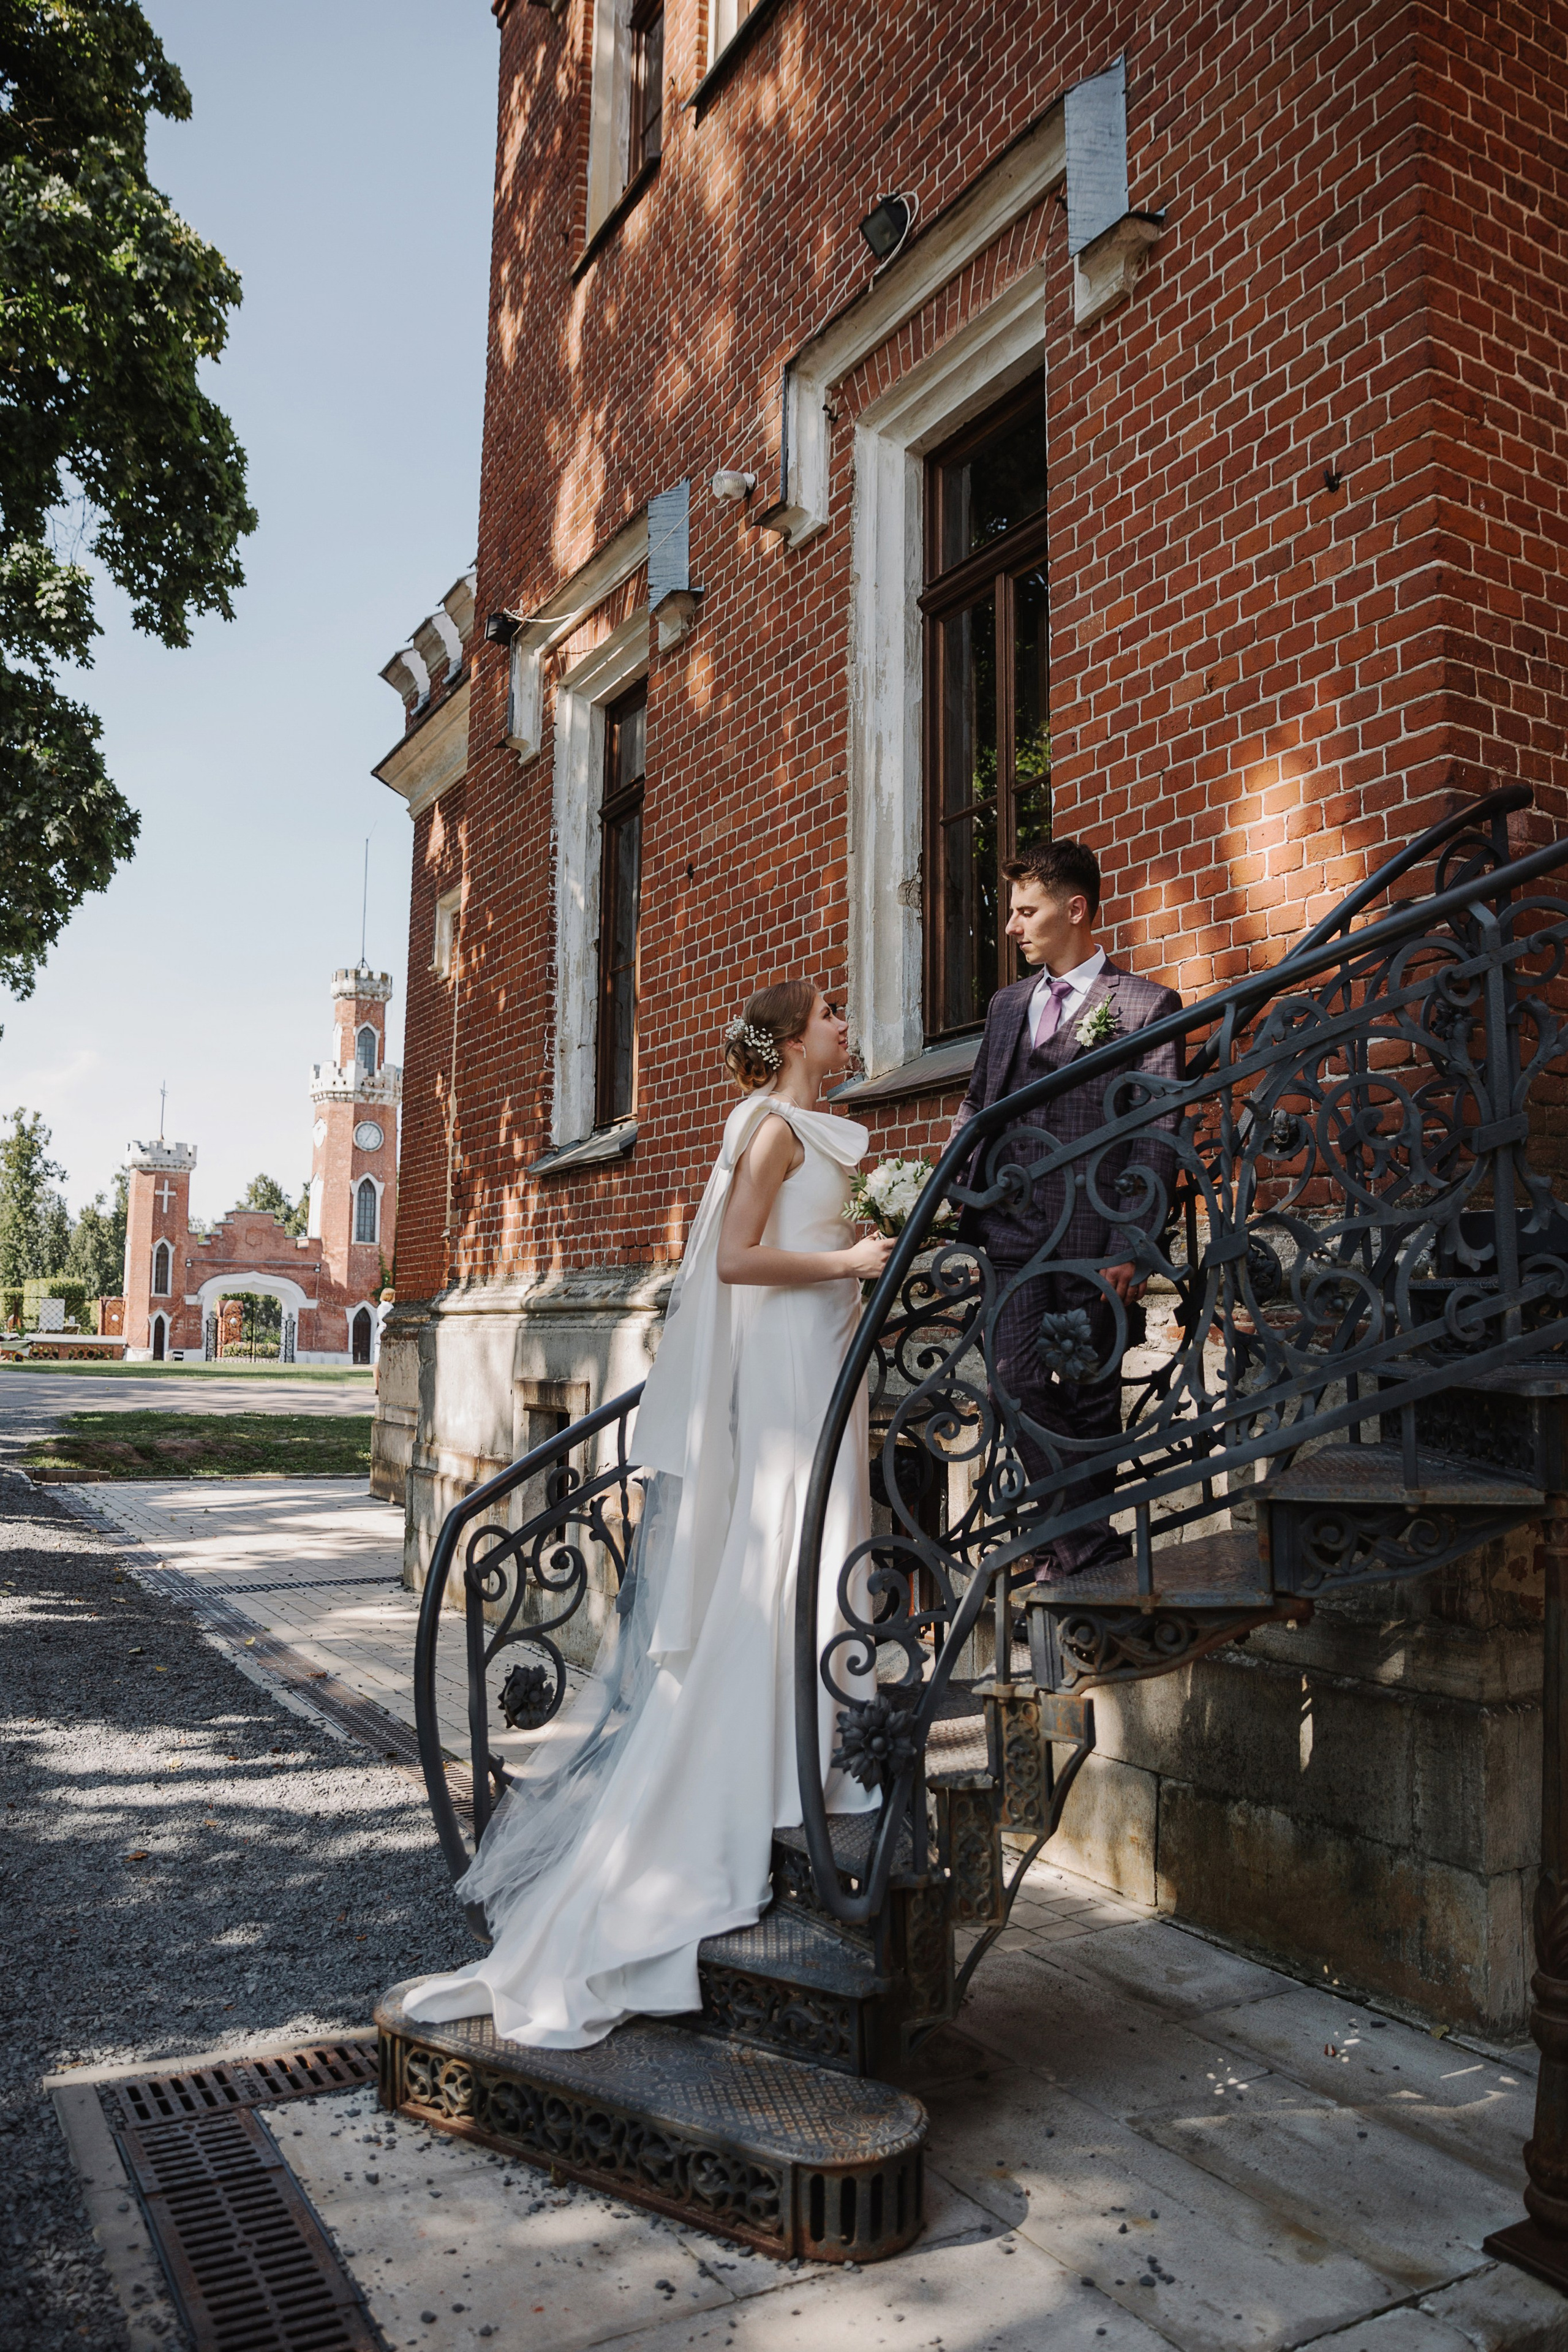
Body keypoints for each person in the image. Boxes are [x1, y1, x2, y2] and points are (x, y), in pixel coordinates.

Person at [404, 982, 894, 2049]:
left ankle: (823, 1731)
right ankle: (783, 1747)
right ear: (794, 1039)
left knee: (834, 1526)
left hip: (823, 1351)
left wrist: (862, 1247)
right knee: (796, 1530)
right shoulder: (767, 1130)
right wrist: (850, 1261)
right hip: (789, 1353)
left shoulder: (809, 1125)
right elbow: (732, 1262)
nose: (848, 1029)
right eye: (834, 1016)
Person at [950, 839, 1182, 1579]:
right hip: (1009, 1229)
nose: (1012, 927)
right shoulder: (1006, 1006)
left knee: (1088, 1398)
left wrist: (1130, 1243)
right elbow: (977, 1105)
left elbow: (1157, 1134)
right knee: (1015, 1384)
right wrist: (945, 1188)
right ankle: (1083, 1544)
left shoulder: (1146, 1005)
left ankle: (1071, 1549)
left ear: (1074, 909)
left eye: (1026, 911)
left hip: (1094, 1238)